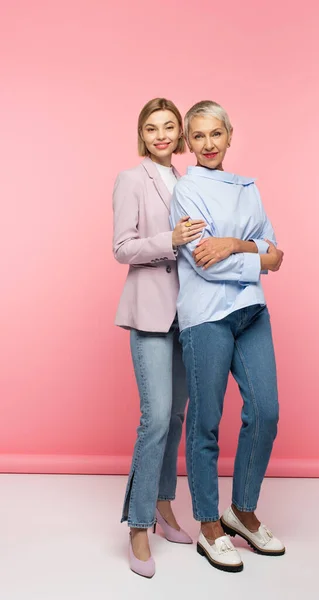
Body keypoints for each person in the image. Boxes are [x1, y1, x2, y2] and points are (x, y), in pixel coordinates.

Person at [170, 100, 285, 573]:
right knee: (207, 422)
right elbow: (203, 261)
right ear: (188, 143)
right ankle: (208, 525)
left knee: (266, 412)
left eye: (216, 133)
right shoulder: (186, 191)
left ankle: (240, 511)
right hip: (207, 317)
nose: (209, 144)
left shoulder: (248, 188)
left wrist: (236, 244)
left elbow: (275, 254)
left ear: (229, 135)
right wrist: (253, 253)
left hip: (251, 312)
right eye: (198, 136)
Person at [112, 98, 206, 578]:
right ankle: (138, 524)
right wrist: (170, 239)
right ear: (143, 136)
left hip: (188, 314)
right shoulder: (132, 179)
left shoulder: (190, 181)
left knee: (177, 414)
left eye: (170, 127)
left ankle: (166, 505)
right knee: (155, 419)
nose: (163, 135)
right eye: (153, 128)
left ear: (181, 134)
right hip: (149, 312)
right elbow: (122, 246)